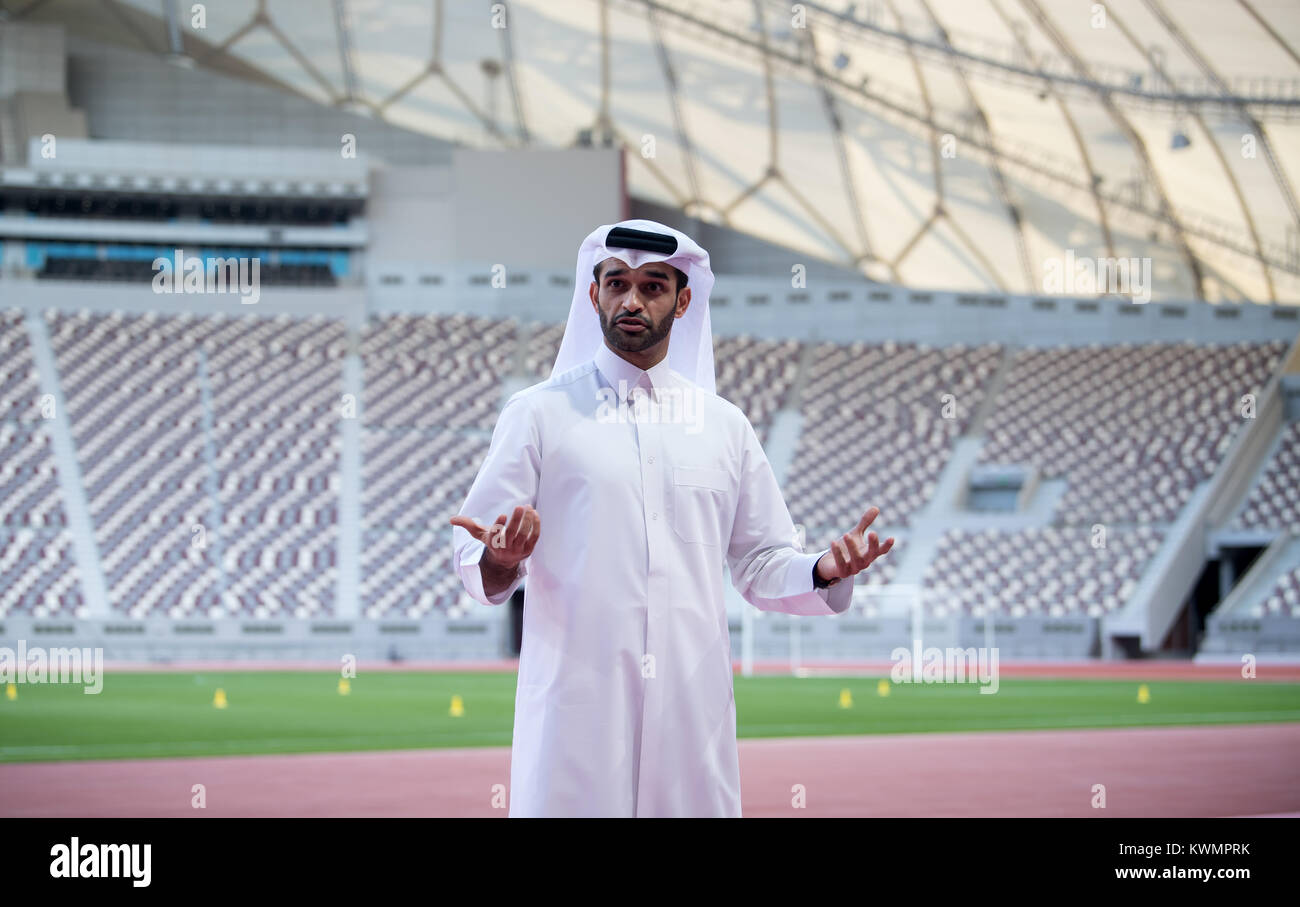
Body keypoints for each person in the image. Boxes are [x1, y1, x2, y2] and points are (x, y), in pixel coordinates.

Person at [450, 218, 894, 817]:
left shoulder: (723, 426)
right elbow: (478, 557)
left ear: (683, 301)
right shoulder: (537, 415)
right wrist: (501, 559)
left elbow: (761, 560)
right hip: (577, 715)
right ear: (593, 294)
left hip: (691, 715)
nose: (631, 300)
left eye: (653, 286)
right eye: (617, 284)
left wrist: (822, 569)